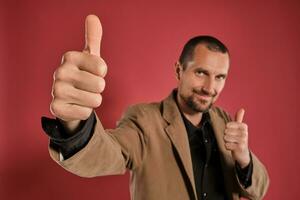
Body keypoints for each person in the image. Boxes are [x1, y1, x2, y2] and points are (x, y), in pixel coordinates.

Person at [41, 15, 269, 200]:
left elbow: (259, 189)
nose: (210, 87)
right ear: (179, 70)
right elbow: (107, 154)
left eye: (220, 77)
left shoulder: (225, 121)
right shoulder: (144, 119)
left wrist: (243, 157)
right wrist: (75, 123)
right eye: (201, 73)